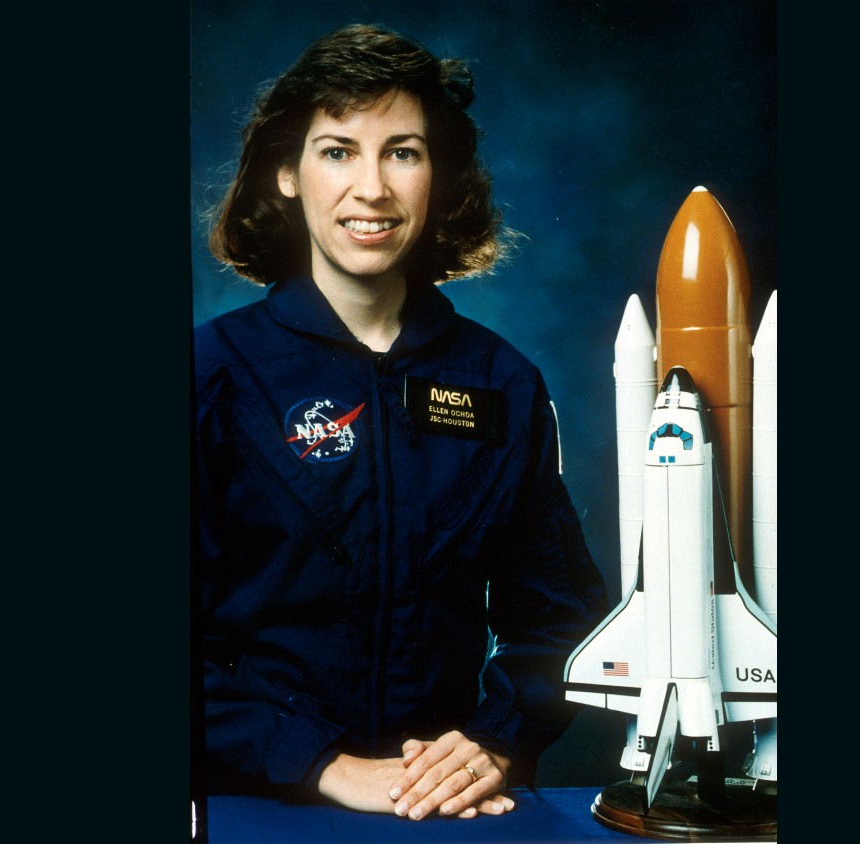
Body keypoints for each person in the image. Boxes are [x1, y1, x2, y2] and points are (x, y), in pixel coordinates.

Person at [194, 23, 609, 822]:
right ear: (286, 174)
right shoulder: (212, 376)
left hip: (445, 808)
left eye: (403, 153)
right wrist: (322, 764)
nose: (373, 188)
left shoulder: (500, 383)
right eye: (337, 151)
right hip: (255, 803)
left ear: (437, 176)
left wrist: (492, 743)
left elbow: (560, 620)